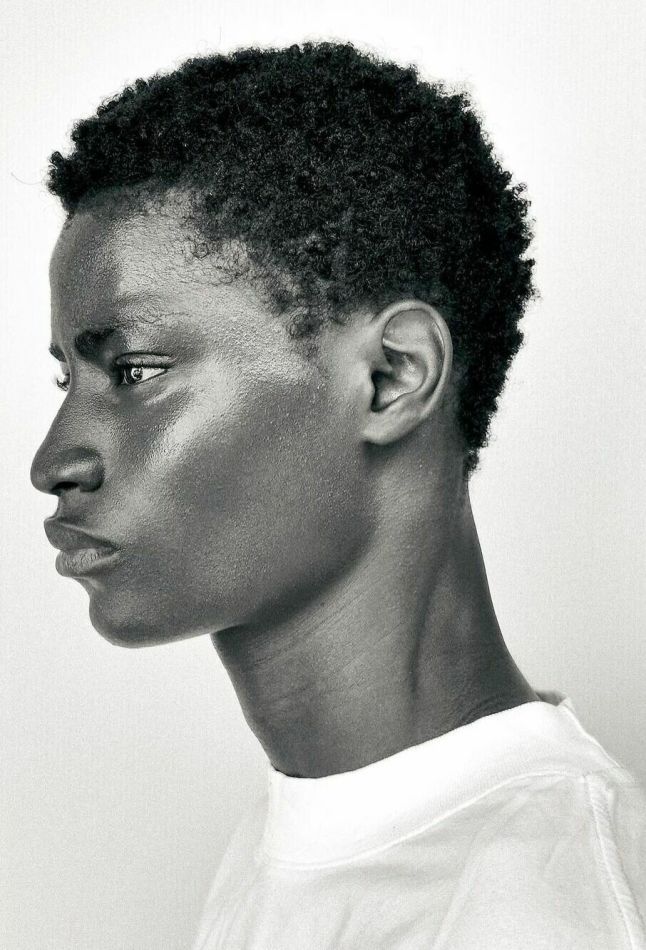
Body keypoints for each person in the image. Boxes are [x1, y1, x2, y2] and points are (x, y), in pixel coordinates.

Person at [30, 40, 645, 950]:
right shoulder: (295, 844)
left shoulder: (544, 909)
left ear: (392, 378)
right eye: (67, 381)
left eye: (137, 371)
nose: (53, 462)